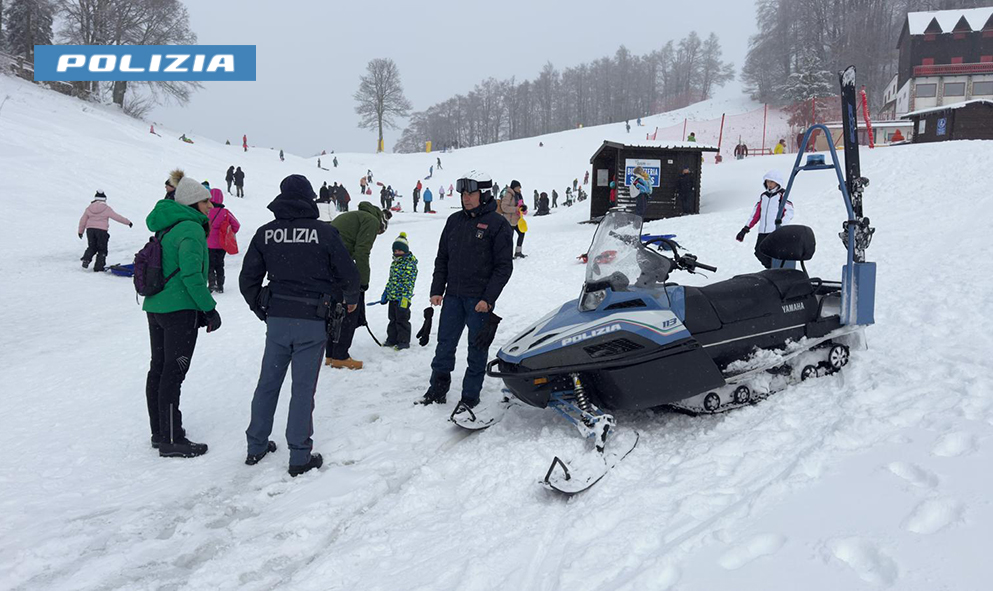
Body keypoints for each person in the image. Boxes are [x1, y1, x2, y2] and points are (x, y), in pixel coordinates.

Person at [239, 174, 361, 477]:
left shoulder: (265, 233)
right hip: (312, 319)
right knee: (303, 389)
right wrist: (350, 300)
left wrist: (262, 308)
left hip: (278, 318)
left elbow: (247, 280)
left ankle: (256, 446)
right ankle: (299, 456)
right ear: (309, 199)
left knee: (268, 383)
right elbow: (349, 273)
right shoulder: (325, 233)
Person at [418, 171, 513, 412]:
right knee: (444, 346)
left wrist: (488, 299)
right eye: (463, 193)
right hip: (452, 298)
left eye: (471, 193)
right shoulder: (454, 221)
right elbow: (443, 258)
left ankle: (470, 396)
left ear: (484, 194)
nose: (466, 198)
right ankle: (437, 390)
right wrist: (437, 289)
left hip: (479, 301)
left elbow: (504, 267)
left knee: (477, 349)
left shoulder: (497, 224)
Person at [143, 173, 221, 458]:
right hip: (179, 309)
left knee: (159, 368)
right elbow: (191, 274)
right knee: (173, 371)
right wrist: (209, 308)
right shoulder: (190, 228)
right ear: (192, 202)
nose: (211, 206)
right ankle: (172, 439)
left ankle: (160, 432)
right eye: (206, 201)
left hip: (156, 306)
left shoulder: (169, 225)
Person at [327, 202, 391, 369]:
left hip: (329, 264)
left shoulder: (356, 215)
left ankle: (330, 354)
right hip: (340, 265)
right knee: (350, 310)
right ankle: (340, 356)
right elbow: (362, 251)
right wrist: (362, 282)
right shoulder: (371, 220)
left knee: (334, 311)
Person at [736, 170, 794, 269]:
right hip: (763, 230)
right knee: (759, 251)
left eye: (772, 182)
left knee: (773, 252)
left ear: (777, 182)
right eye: (767, 182)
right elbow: (756, 214)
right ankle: (772, 269)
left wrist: (781, 224)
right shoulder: (764, 196)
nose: (769, 184)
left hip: (774, 230)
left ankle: (776, 270)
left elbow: (789, 211)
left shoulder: (782, 195)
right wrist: (745, 229)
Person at [380, 232, 418, 350]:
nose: (398, 253)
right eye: (395, 251)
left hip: (403, 299)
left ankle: (403, 341)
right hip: (393, 297)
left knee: (402, 320)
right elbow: (391, 280)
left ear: (405, 250)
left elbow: (409, 283)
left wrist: (405, 298)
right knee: (392, 320)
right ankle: (392, 339)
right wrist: (386, 292)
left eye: (400, 250)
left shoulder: (409, 265)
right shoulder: (394, 263)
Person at [78, 190, 132, 272]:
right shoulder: (106, 208)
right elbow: (117, 217)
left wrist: (80, 231)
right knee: (102, 249)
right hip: (101, 231)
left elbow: (83, 220)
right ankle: (98, 267)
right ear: (104, 199)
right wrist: (128, 222)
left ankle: (86, 259)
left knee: (92, 246)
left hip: (90, 231)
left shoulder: (89, 208)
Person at [206, 188, 240, 293]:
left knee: (209, 264)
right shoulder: (225, 212)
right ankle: (220, 286)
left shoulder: (206, 211)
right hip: (221, 243)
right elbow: (237, 225)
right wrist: (229, 232)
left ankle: (212, 284)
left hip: (208, 243)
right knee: (220, 264)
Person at [500, 180, 528, 259]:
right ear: (514, 187)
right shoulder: (508, 195)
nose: (519, 189)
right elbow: (504, 207)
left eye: (520, 187)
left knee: (522, 233)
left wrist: (524, 208)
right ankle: (507, 254)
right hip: (509, 221)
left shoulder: (518, 195)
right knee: (509, 238)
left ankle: (518, 252)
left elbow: (521, 205)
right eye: (518, 187)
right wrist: (516, 209)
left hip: (517, 220)